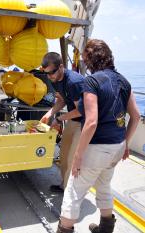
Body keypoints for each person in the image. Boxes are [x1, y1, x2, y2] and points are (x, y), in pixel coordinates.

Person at [56, 39, 140, 233]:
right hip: (117, 146)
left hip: (97, 148)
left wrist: (78, 155)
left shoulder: (92, 81)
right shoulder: (124, 81)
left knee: (74, 191)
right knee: (103, 185)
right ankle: (105, 227)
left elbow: (91, 121)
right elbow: (135, 117)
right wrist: (126, 143)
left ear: (90, 61)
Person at [40, 52, 84, 192]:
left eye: (52, 72)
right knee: (63, 156)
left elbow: (81, 110)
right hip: (72, 120)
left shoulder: (74, 82)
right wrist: (50, 113)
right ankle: (64, 185)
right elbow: (61, 100)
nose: (49, 76)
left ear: (61, 67)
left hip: (84, 123)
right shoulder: (56, 80)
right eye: (46, 73)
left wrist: (59, 119)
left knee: (72, 159)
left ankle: (70, 193)